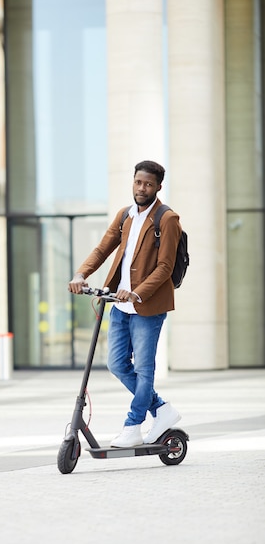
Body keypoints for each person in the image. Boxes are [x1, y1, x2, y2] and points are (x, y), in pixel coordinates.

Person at [68, 160, 182, 448]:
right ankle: (162, 409)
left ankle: (133, 425)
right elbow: (102, 249)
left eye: (148, 184)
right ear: (133, 182)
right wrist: (81, 274)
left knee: (144, 369)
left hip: (148, 306)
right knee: (117, 364)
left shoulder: (167, 219)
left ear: (158, 187)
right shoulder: (125, 216)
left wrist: (136, 293)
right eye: (138, 182)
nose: (142, 188)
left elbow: (165, 267)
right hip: (119, 306)